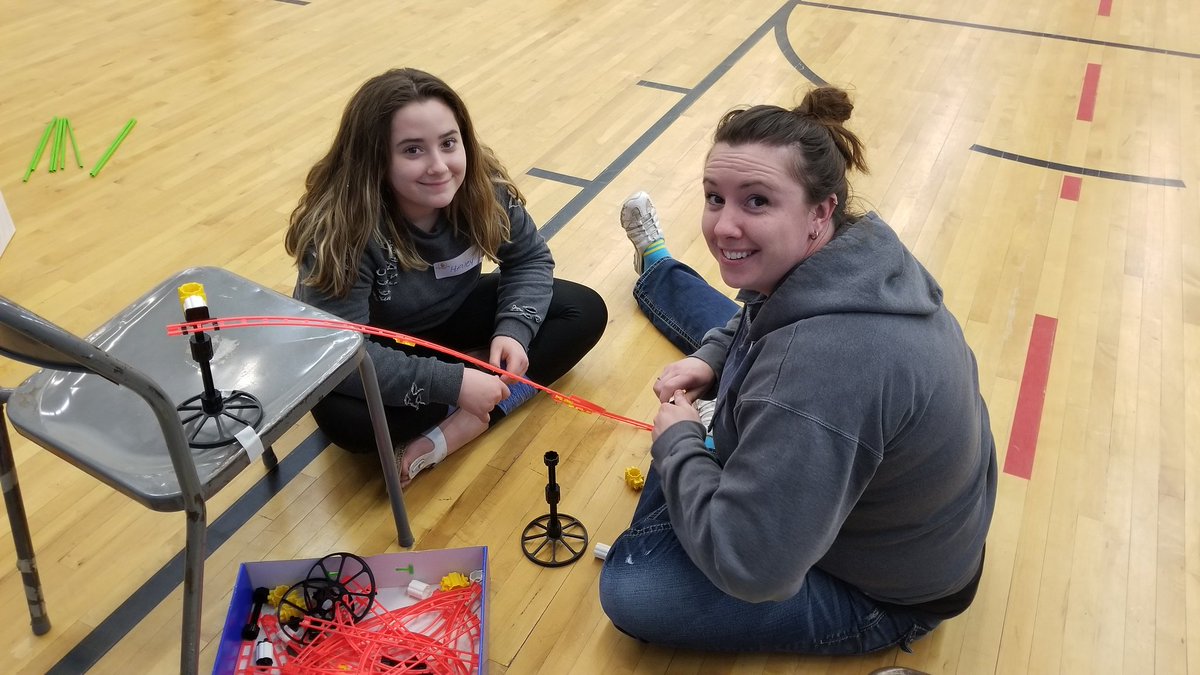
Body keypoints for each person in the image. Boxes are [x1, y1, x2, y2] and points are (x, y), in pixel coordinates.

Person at [598, 86, 997, 656]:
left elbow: (752, 567)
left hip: (889, 597)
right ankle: (659, 268)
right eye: (715, 198)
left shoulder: (812, 375)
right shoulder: (853, 258)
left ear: (821, 211)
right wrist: (711, 358)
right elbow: (756, 316)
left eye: (756, 201)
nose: (723, 227)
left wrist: (681, 445)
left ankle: (696, 413)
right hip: (930, 531)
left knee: (633, 587)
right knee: (728, 323)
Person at [284, 68, 607, 482]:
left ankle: (466, 421)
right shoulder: (339, 231)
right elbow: (343, 354)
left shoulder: (482, 188)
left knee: (583, 310)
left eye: (448, 143)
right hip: (374, 345)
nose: (439, 166)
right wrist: (452, 383)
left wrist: (513, 330)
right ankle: (478, 392)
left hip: (447, 318)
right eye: (413, 150)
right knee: (348, 421)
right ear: (375, 160)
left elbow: (528, 259)